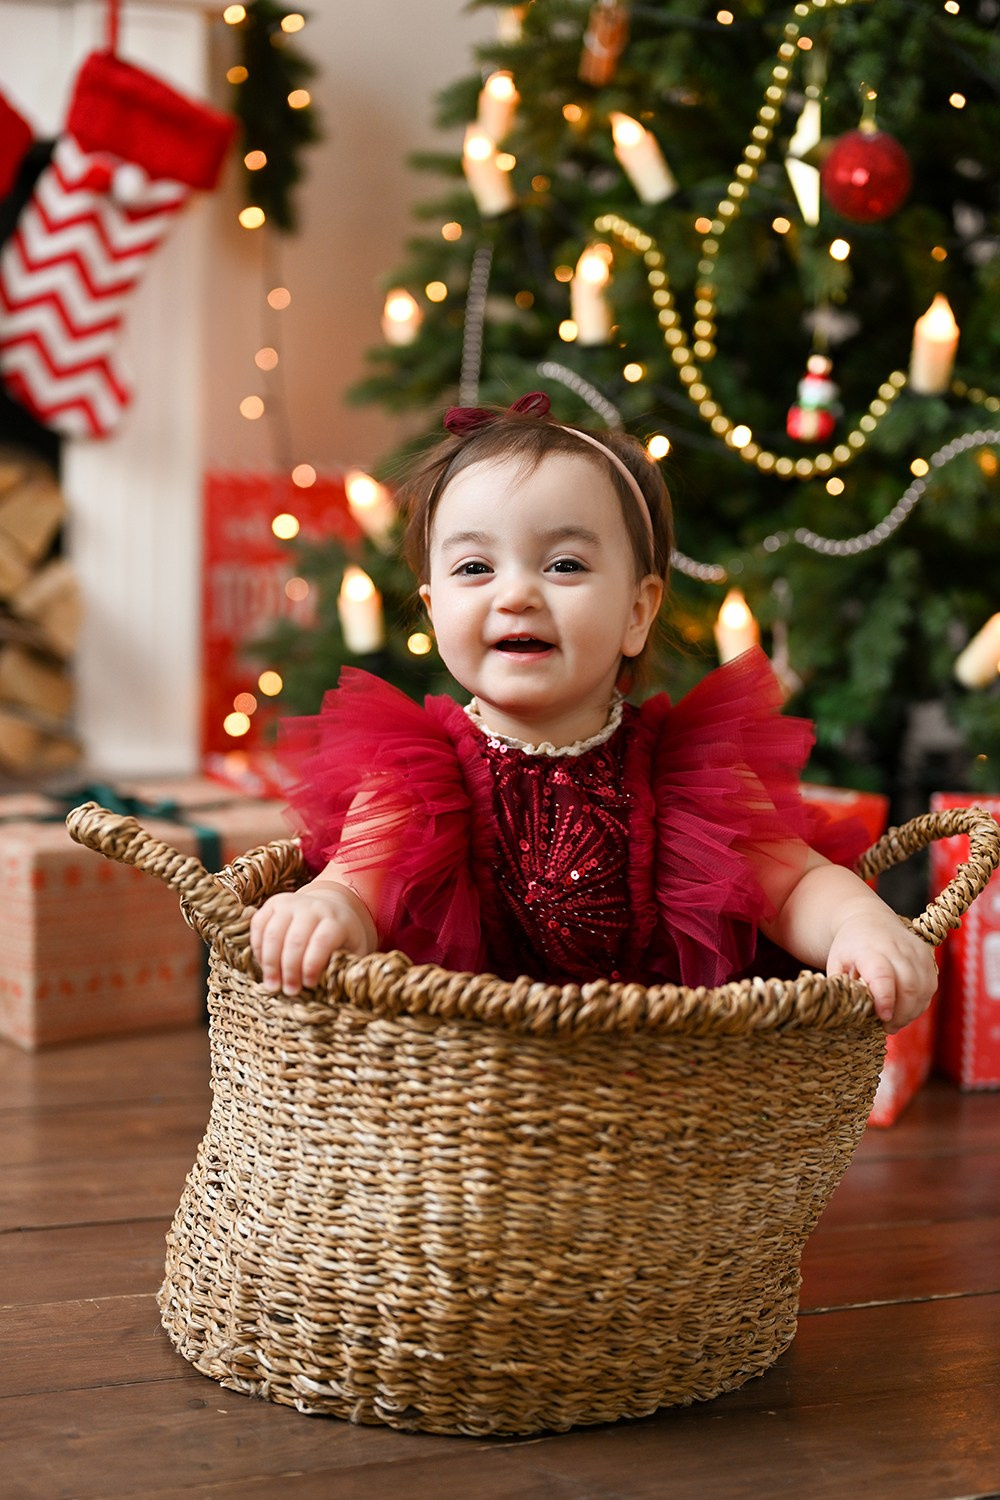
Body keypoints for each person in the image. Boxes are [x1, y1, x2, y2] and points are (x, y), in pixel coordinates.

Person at [249, 392, 937, 1033]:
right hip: (463, 1091)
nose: (515, 594)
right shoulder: (417, 777)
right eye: (474, 569)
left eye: (566, 565)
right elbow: (358, 890)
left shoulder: (688, 779)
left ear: (637, 613)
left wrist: (858, 924)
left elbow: (795, 888)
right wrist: (325, 911)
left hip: (647, 1091)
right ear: (432, 609)